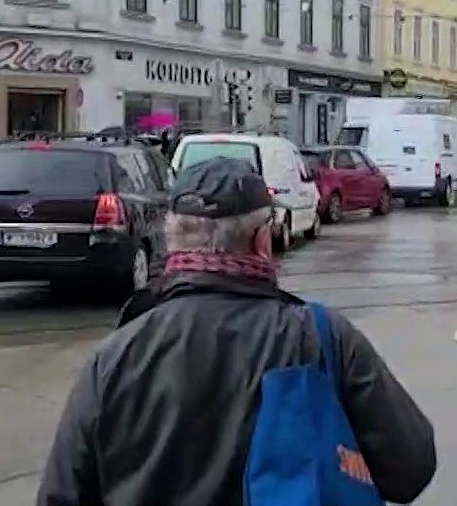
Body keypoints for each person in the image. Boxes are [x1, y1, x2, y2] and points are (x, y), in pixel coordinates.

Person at [37, 157, 436, 506]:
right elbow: (411, 469)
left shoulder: (116, 356)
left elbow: (63, 494)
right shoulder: (320, 337)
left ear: (172, 241)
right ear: (262, 240)